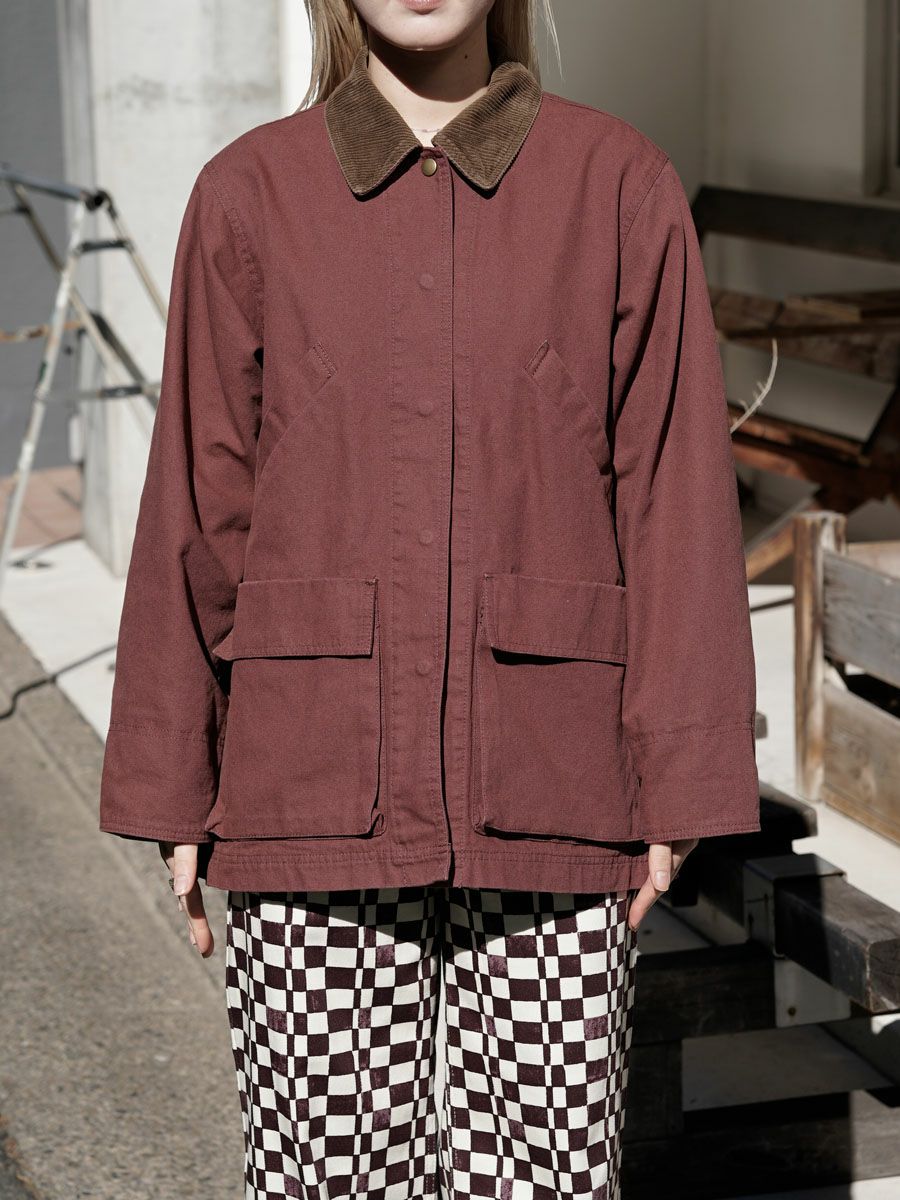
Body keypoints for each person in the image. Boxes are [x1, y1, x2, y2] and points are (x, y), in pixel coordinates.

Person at [98, 0, 761, 1196]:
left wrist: (683, 771)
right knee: (325, 1175)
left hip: (554, 783)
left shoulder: (617, 185)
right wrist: (171, 778)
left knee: (551, 1176)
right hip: (311, 783)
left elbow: (677, 501)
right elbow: (197, 500)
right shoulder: (251, 193)